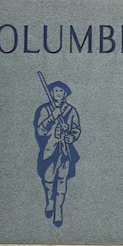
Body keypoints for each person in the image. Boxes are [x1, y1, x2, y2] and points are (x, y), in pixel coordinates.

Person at [33, 79, 81, 227]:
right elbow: (40, 130)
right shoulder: (44, 110)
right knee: (48, 179)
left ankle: (58, 210)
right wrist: (53, 116)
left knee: (62, 180)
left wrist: (70, 137)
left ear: (65, 93)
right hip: (49, 150)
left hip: (64, 151)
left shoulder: (71, 110)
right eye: (55, 91)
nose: (58, 93)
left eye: (60, 91)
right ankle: (50, 201)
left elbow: (76, 129)